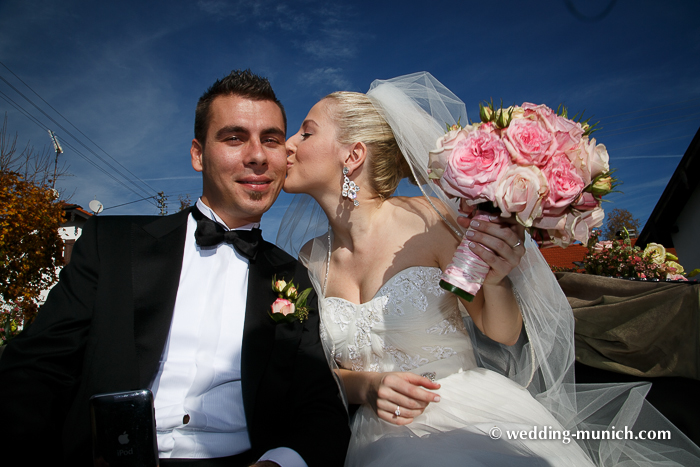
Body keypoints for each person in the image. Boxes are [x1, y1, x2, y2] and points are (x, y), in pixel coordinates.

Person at [278, 72, 700, 466]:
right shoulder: (308, 258)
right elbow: (306, 368)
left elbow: (502, 333)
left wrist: (497, 281)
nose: (288, 144)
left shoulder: (432, 221)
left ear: (353, 155)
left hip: (467, 411)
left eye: (306, 131)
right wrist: (363, 387)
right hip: (369, 435)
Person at [0, 69, 350, 467]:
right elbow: (34, 370)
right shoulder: (111, 243)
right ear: (198, 154)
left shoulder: (293, 276)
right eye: (234, 137)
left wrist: (281, 462)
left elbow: (319, 404)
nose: (256, 155)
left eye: (270, 139)